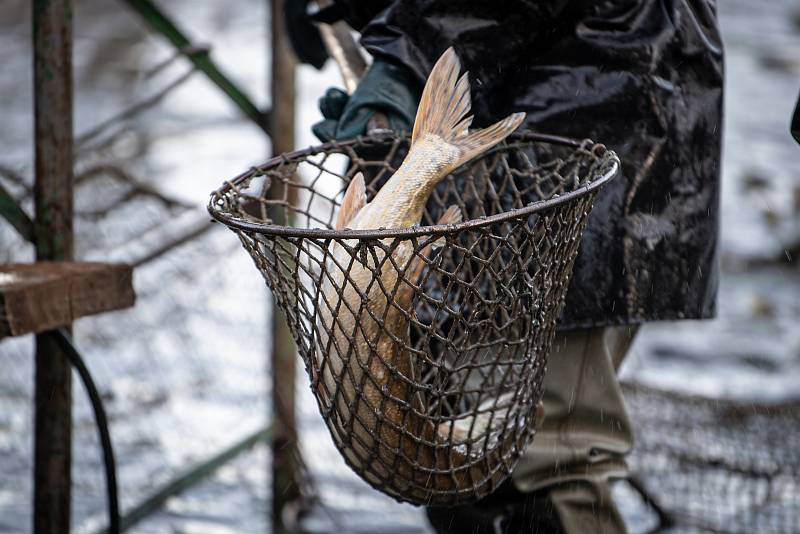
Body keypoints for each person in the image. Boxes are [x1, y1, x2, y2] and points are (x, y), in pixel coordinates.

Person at [287, 1, 724, 532]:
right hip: (493, 149)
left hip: (590, 116)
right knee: (460, 475)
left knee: (550, 460)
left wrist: (402, 55)